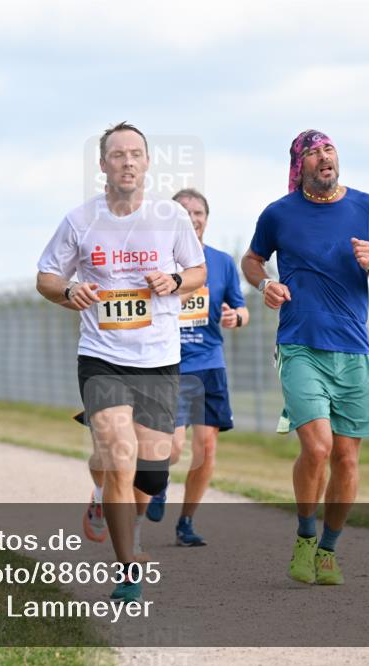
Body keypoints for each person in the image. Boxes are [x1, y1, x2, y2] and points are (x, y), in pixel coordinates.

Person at [36, 122, 206, 603]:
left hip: (158, 358)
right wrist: (70, 289)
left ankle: (100, 495)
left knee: (152, 472)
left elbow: (198, 272)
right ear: (103, 164)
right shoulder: (80, 221)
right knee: (119, 457)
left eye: (136, 154)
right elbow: (46, 277)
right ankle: (128, 564)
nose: (127, 162)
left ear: (148, 162)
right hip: (102, 356)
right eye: (117, 155)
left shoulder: (171, 217)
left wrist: (175, 280)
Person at [241, 129, 369, 586]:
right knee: (318, 447)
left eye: (328, 150)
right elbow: (252, 260)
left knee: (347, 459)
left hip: (352, 349)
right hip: (299, 344)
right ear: (299, 167)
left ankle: (328, 549)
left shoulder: (367, 208)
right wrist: (265, 283)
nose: (323, 158)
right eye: (312, 153)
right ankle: (305, 535)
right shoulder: (279, 214)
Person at [134, 188, 250, 548]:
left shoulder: (221, 262)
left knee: (207, 449)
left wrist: (236, 317)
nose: (192, 217)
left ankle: (186, 521)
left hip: (209, 363)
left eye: (198, 212)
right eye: (184, 211)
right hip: (170, 364)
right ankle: (159, 485)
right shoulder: (155, 260)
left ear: (206, 219)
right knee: (172, 447)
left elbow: (243, 308)